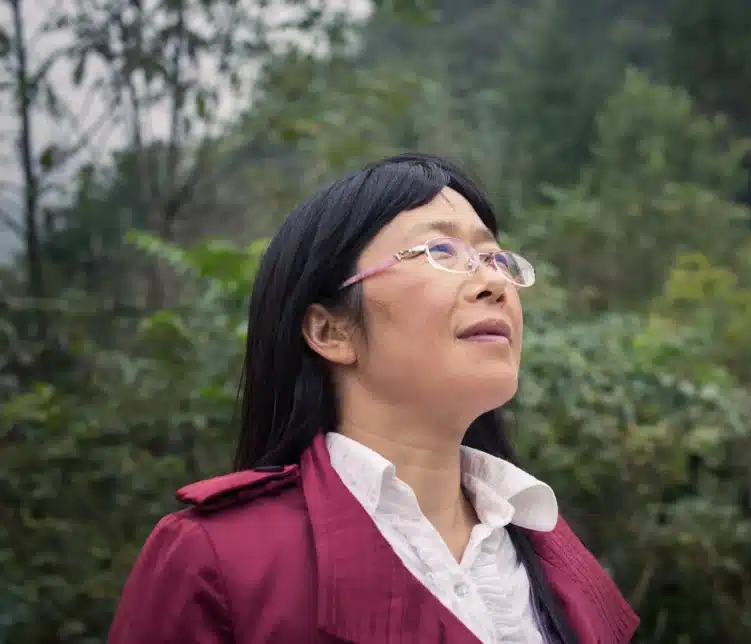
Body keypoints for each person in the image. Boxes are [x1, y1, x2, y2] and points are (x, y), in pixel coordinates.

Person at [107, 153, 639, 643]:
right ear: (330, 331)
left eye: (495, 258)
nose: (494, 284)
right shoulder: (218, 561)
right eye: (441, 251)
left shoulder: (552, 553)